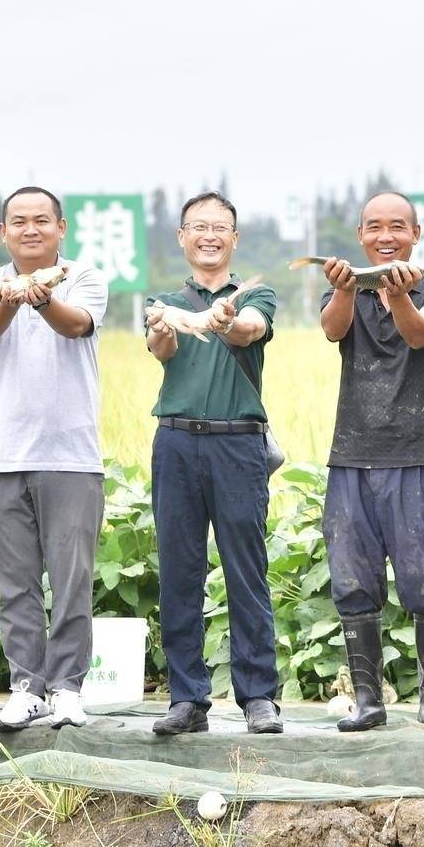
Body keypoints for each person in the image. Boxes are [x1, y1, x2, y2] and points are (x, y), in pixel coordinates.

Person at [0, 186, 109, 733]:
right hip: (2, 457)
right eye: (19, 221)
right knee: (14, 582)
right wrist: (11, 295)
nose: (31, 229)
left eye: (42, 220)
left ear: (60, 228)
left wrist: (42, 296)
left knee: (72, 580)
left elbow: (75, 325)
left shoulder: (83, 277)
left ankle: (68, 688)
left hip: (72, 456)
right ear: (4, 232)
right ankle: (27, 688)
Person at [317, 192, 424, 731]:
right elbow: (332, 329)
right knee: (353, 582)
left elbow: (421, 333)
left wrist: (398, 297)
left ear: (415, 234)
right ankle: (368, 701)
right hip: (352, 456)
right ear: (360, 236)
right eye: (374, 227)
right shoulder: (345, 289)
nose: (385, 236)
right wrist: (343, 288)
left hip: (418, 454)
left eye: (397, 226)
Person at [143, 192, 283, 736]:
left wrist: (224, 319)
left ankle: (258, 695)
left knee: (245, 569)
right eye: (198, 227)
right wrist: (165, 328)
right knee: (179, 570)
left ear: (234, 238)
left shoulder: (256, 295)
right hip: (176, 442)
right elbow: (161, 347)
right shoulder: (163, 301)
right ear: (182, 236)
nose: (209, 236)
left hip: (238, 445)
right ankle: (187, 697)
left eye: (219, 227)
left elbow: (249, 328)